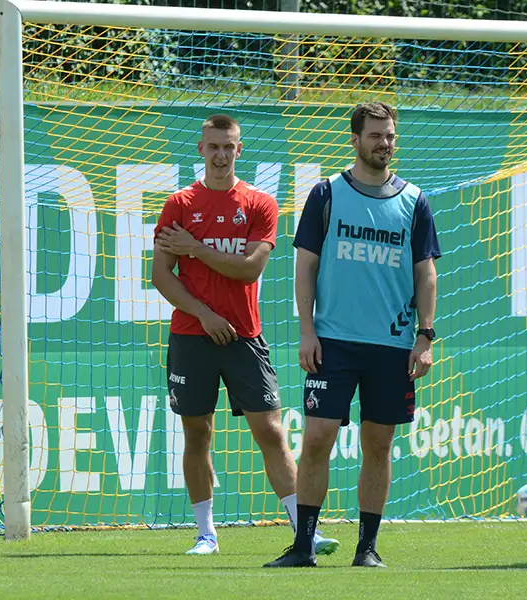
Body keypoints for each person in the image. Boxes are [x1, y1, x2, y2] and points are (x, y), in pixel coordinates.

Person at [152, 113, 339, 556]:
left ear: (240, 149)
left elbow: (251, 267)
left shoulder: (259, 204)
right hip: (191, 337)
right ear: (201, 150)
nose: (220, 154)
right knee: (197, 434)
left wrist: (196, 248)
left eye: (228, 146)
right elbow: (161, 276)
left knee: (271, 431)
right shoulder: (179, 204)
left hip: (244, 337)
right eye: (213, 146)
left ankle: (304, 531)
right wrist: (204, 314)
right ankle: (206, 535)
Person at [264, 101, 441, 569]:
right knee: (318, 437)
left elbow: (426, 273)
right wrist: (307, 331)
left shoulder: (414, 200)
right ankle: (303, 546)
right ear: (355, 139)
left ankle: (367, 548)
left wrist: (425, 336)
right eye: (376, 135)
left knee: (378, 444)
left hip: (392, 345)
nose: (385, 143)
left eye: (390, 136)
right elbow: (305, 267)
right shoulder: (326, 195)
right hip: (334, 341)